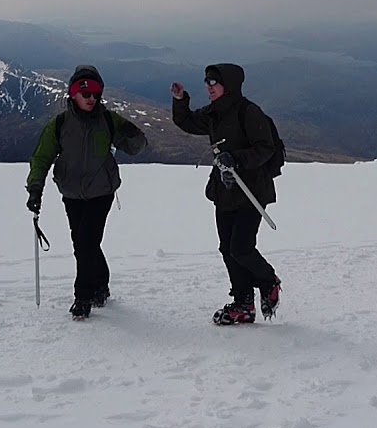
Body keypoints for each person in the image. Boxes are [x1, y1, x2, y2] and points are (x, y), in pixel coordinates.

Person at [26, 65, 147, 320]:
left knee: (85, 242)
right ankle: (101, 283)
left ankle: (83, 296)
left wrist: (134, 136)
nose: (91, 98)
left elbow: (136, 146)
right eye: (85, 93)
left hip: (101, 192)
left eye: (95, 94)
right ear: (73, 94)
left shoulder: (108, 121)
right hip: (71, 193)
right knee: (84, 242)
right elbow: (41, 157)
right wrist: (35, 188)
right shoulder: (60, 124)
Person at [171, 63, 281, 325]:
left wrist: (237, 160)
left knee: (241, 248)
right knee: (227, 249)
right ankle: (243, 302)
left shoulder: (249, 112)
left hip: (251, 190)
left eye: (213, 83)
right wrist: (180, 101)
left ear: (228, 85)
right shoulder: (214, 113)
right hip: (225, 190)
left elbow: (266, 148)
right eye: (206, 82)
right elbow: (187, 122)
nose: (208, 88)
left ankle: (268, 281)